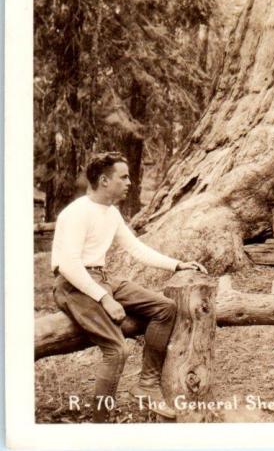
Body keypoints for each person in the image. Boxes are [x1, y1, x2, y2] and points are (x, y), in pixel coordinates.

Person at [51, 151, 208, 423]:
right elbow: (68, 265)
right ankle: (101, 423)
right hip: (73, 284)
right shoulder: (76, 213)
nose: (129, 183)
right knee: (117, 350)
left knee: (166, 308)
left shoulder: (111, 213)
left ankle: (146, 384)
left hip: (101, 277)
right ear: (103, 180)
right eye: (123, 177)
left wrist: (177, 265)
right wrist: (105, 299)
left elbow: (136, 248)